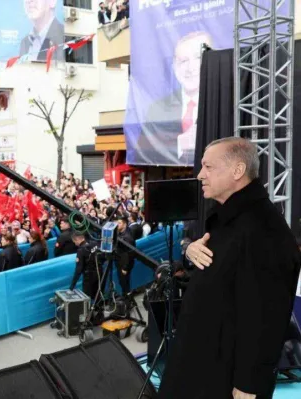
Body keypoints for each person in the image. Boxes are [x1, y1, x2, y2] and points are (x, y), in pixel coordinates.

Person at [158, 138, 301, 399]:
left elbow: (267, 316)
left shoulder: (264, 230)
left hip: (222, 378)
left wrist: (249, 384)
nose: (200, 175)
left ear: (237, 171)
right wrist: (190, 250)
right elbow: (222, 278)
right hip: (200, 362)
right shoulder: (228, 218)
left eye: (208, 167)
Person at [136, 31, 213, 166]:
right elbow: (143, 153)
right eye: (183, 61)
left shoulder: (226, 104)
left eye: (198, 58)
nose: (190, 68)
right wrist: (179, 144)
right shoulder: (157, 109)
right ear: (174, 67)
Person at [68, 232, 101, 300]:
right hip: (100, 272)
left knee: (87, 297)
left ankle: (90, 310)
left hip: (89, 276)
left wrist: (72, 286)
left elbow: (78, 270)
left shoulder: (81, 250)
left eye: (74, 242)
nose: (75, 244)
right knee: (98, 295)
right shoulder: (94, 243)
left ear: (77, 239)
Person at [114, 215, 135, 295]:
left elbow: (129, 253)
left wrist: (125, 267)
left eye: (119, 223)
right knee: (122, 282)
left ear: (125, 224)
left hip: (124, 264)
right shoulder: (119, 233)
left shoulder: (127, 237)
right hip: (120, 262)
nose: (117, 224)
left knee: (124, 283)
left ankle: (127, 300)